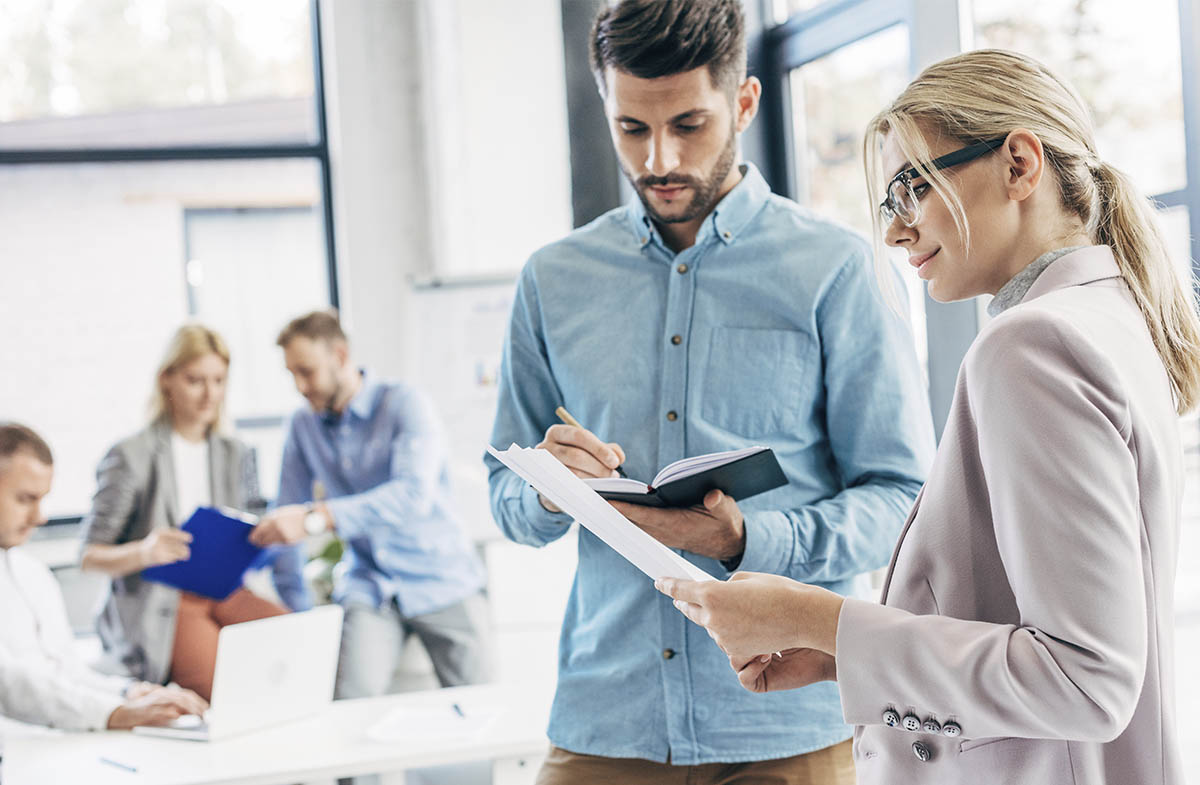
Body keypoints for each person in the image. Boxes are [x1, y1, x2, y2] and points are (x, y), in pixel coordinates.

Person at [656, 49, 1200, 785]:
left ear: (1019, 164)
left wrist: (816, 617)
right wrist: (849, 654)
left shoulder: (1030, 345)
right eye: (888, 203)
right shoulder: (1107, 316)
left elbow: (1083, 678)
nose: (895, 231)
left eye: (912, 188)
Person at [484, 1, 934, 782]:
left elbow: (904, 502)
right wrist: (551, 490)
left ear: (745, 103)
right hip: (605, 720)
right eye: (632, 128)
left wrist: (746, 541)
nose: (659, 157)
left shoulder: (837, 269)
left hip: (785, 725)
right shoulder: (552, 281)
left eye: (689, 124)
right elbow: (504, 493)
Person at [251, 310, 490, 699]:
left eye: (307, 372)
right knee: (348, 708)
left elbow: (413, 496)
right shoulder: (302, 426)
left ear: (341, 356)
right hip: (371, 585)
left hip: (442, 578)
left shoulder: (405, 404)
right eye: (291, 374)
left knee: (481, 710)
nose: (299, 386)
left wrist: (319, 518)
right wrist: (299, 615)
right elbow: (286, 521)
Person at [80, 325, 307, 703]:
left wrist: (266, 536)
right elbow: (88, 556)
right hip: (165, 599)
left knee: (297, 649)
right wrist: (145, 552)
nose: (210, 394)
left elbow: (248, 527)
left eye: (218, 381)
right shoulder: (131, 455)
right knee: (227, 692)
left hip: (225, 589)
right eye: (195, 381)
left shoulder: (235, 453)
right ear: (166, 380)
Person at [0, 423, 208, 753]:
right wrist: (116, 713)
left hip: (59, 742)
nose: (40, 517)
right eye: (26, 499)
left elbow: (66, 671)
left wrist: (130, 692)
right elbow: (9, 685)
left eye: (43, 499)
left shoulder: (32, 572)